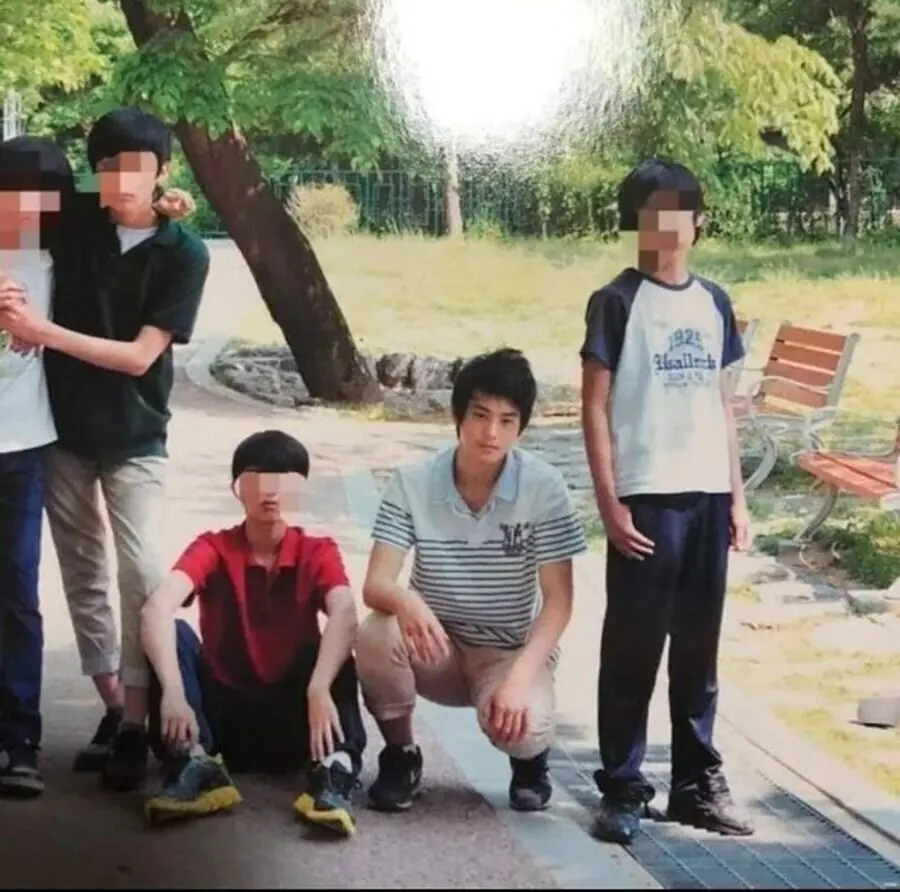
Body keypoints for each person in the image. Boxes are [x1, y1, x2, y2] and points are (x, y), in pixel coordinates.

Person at [0, 107, 210, 793]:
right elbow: (27, 197)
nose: (122, 181)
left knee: (140, 568)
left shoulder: (184, 253)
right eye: (109, 167)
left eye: (139, 169)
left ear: (163, 171)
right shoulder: (80, 220)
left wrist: (41, 331)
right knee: (83, 574)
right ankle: (119, 712)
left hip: (136, 434)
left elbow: (140, 356)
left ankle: (144, 712)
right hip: (64, 433)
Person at [580, 158, 754, 845]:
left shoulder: (714, 302)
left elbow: (723, 407)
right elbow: (594, 407)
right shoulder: (617, 301)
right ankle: (623, 787)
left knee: (698, 654)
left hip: (708, 498)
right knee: (632, 650)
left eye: (681, 210)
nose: (669, 225)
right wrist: (610, 503)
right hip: (646, 499)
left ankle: (695, 785)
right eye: (654, 213)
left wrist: (737, 500)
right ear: (637, 222)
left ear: (698, 220)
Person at [357, 348, 587, 814]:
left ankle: (530, 763)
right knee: (375, 633)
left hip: (506, 651)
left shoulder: (544, 488)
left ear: (521, 427)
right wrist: (407, 601)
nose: (491, 432)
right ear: (458, 416)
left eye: (507, 420)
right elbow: (376, 583)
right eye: (480, 415)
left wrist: (520, 678)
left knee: (527, 727)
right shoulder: (412, 482)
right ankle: (401, 755)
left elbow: (558, 602)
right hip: (435, 646)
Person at [139, 430, 366, 837]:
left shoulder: (317, 551)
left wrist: (318, 688)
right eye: (257, 480)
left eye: (284, 481)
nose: (270, 493)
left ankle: (334, 774)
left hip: (296, 721)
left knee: (336, 650)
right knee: (172, 633)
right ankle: (194, 764)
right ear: (237, 489)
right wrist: (172, 691)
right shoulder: (213, 547)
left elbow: (346, 611)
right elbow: (157, 606)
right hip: (221, 721)